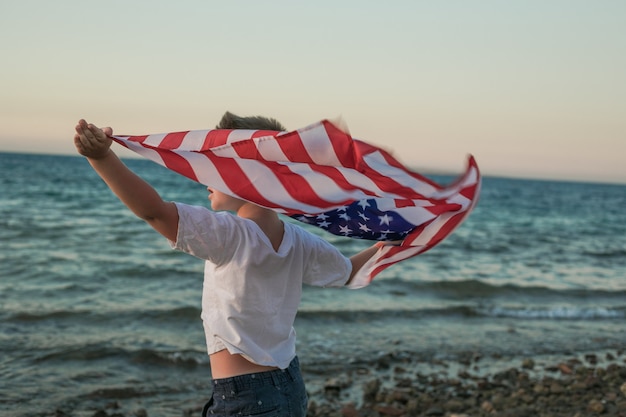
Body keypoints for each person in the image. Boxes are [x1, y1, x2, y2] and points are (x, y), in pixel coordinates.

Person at [73, 112, 383, 417]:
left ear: (248, 176)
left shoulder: (231, 234)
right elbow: (348, 272)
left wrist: (101, 158)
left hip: (246, 398)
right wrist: (389, 244)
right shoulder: (299, 241)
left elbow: (154, 212)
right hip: (289, 387)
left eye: (215, 167)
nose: (204, 178)